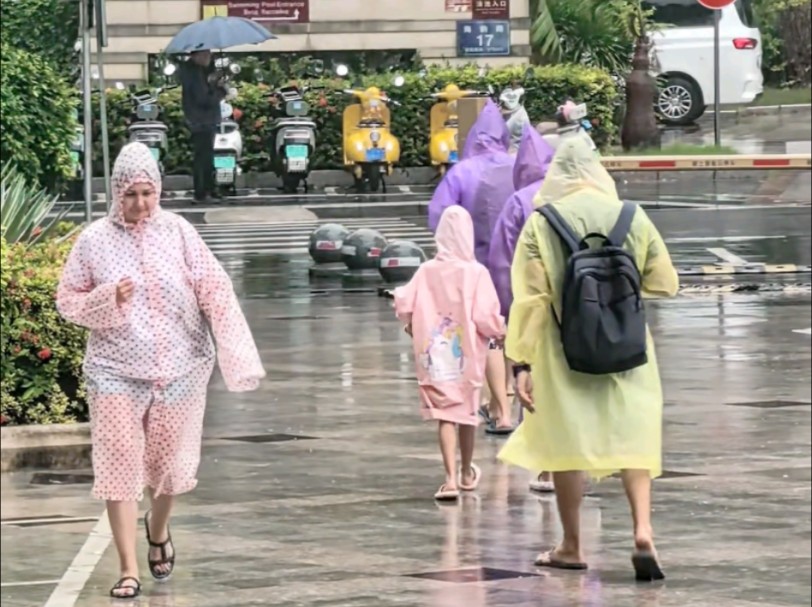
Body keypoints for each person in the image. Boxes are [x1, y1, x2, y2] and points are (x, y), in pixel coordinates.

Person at [56, 142, 266, 599]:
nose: (139, 204)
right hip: (113, 369)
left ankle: (158, 527)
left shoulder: (179, 232)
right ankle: (128, 567)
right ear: (115, 192)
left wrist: (238, 354)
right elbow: (67, 300)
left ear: (159, 190)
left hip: (181, 367)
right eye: (130, 194)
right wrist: (108, 298)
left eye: (147, 193)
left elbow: (215, 289)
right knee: (119, 464)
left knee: (169, 467)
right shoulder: (93, 240)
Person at [497, 137, 679, 580]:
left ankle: (572, 544)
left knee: (566, 445)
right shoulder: (632, 216)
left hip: (564, 351)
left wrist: (520, 362)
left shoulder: (542, 223)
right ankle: (642, 531)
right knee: (634, 437)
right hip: (629, 346)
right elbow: (665, 282)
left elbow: (531, 299)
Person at [394, 206, 505, 501]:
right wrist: (500, 332)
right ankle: (467, 470)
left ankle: (450, 479)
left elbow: (404, 304)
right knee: (466, 412)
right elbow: (486, 317)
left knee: (445, 415)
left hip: (433, 356)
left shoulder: (426, 271)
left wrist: (411, 326)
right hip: (466, 355)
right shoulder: (476, 273)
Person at [427, 100, 515, 434]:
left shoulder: (461, 172)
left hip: (475, 269)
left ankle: (497, 404)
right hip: (517, 264)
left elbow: (440, 217)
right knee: (513, 331)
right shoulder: (518, 165)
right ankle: (507, 393)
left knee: (487, 336)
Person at [486, 123, 556, 492]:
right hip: (570, 305)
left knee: (529, 381)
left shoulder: (519, 202)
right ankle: (568, 461)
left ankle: (543, 465)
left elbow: (502, 260)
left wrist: (505, 307)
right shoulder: (566, 194)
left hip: (529, 305)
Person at [178, 50, 227, 203]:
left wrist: (215, 81)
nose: (208, 58)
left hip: (204, 120)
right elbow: (203, 99)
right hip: (201, 120)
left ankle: (209, 189)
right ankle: (202, 192)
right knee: (203, 158)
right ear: (196, 56)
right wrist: (220, 91)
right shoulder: (193, 74)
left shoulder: (199, 72)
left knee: (207, 157)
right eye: (206, 55)